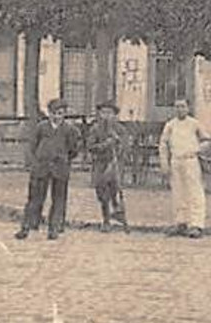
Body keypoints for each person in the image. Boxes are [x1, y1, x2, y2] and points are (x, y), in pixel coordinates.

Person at [17, 98, 80, 240]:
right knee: (35, 198)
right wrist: (37, 160)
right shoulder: (41, 127)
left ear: (64, 114)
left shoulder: (70, 130)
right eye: (54, 113)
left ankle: (54, 228)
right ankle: (27, 226)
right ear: (49, 113)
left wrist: (63, 159)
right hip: (41, 167)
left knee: (58, 199)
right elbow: (33, 145)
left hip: (60, 168)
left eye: (60, 113)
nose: (57, 117)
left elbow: (73, 149)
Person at [158, 99, 206, 238]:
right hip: (176, 160)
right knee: (178, 192)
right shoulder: (170, 125)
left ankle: (196, 224)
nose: (180, 109)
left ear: (188, 108)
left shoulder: (194, 124)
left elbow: (207, 140)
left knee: (194, 191)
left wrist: (197, 150)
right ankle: (181, 222)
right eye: (177, 106)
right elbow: (163, 144)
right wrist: (164, 163)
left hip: (190, 160)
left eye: (183, 106)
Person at [85, 100, 128, 228]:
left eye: (109, 113)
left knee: (114, 188)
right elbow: (90, 146)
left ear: (115, 115)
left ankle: (115, 211)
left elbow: (125, 147)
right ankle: (107, 217)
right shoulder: (95, 129)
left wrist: (118, 144)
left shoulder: (120, 129)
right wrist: (105, 145)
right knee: (101, 190)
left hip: (115, 163)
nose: (106, 116)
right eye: (103, 112)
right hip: (100, 162)